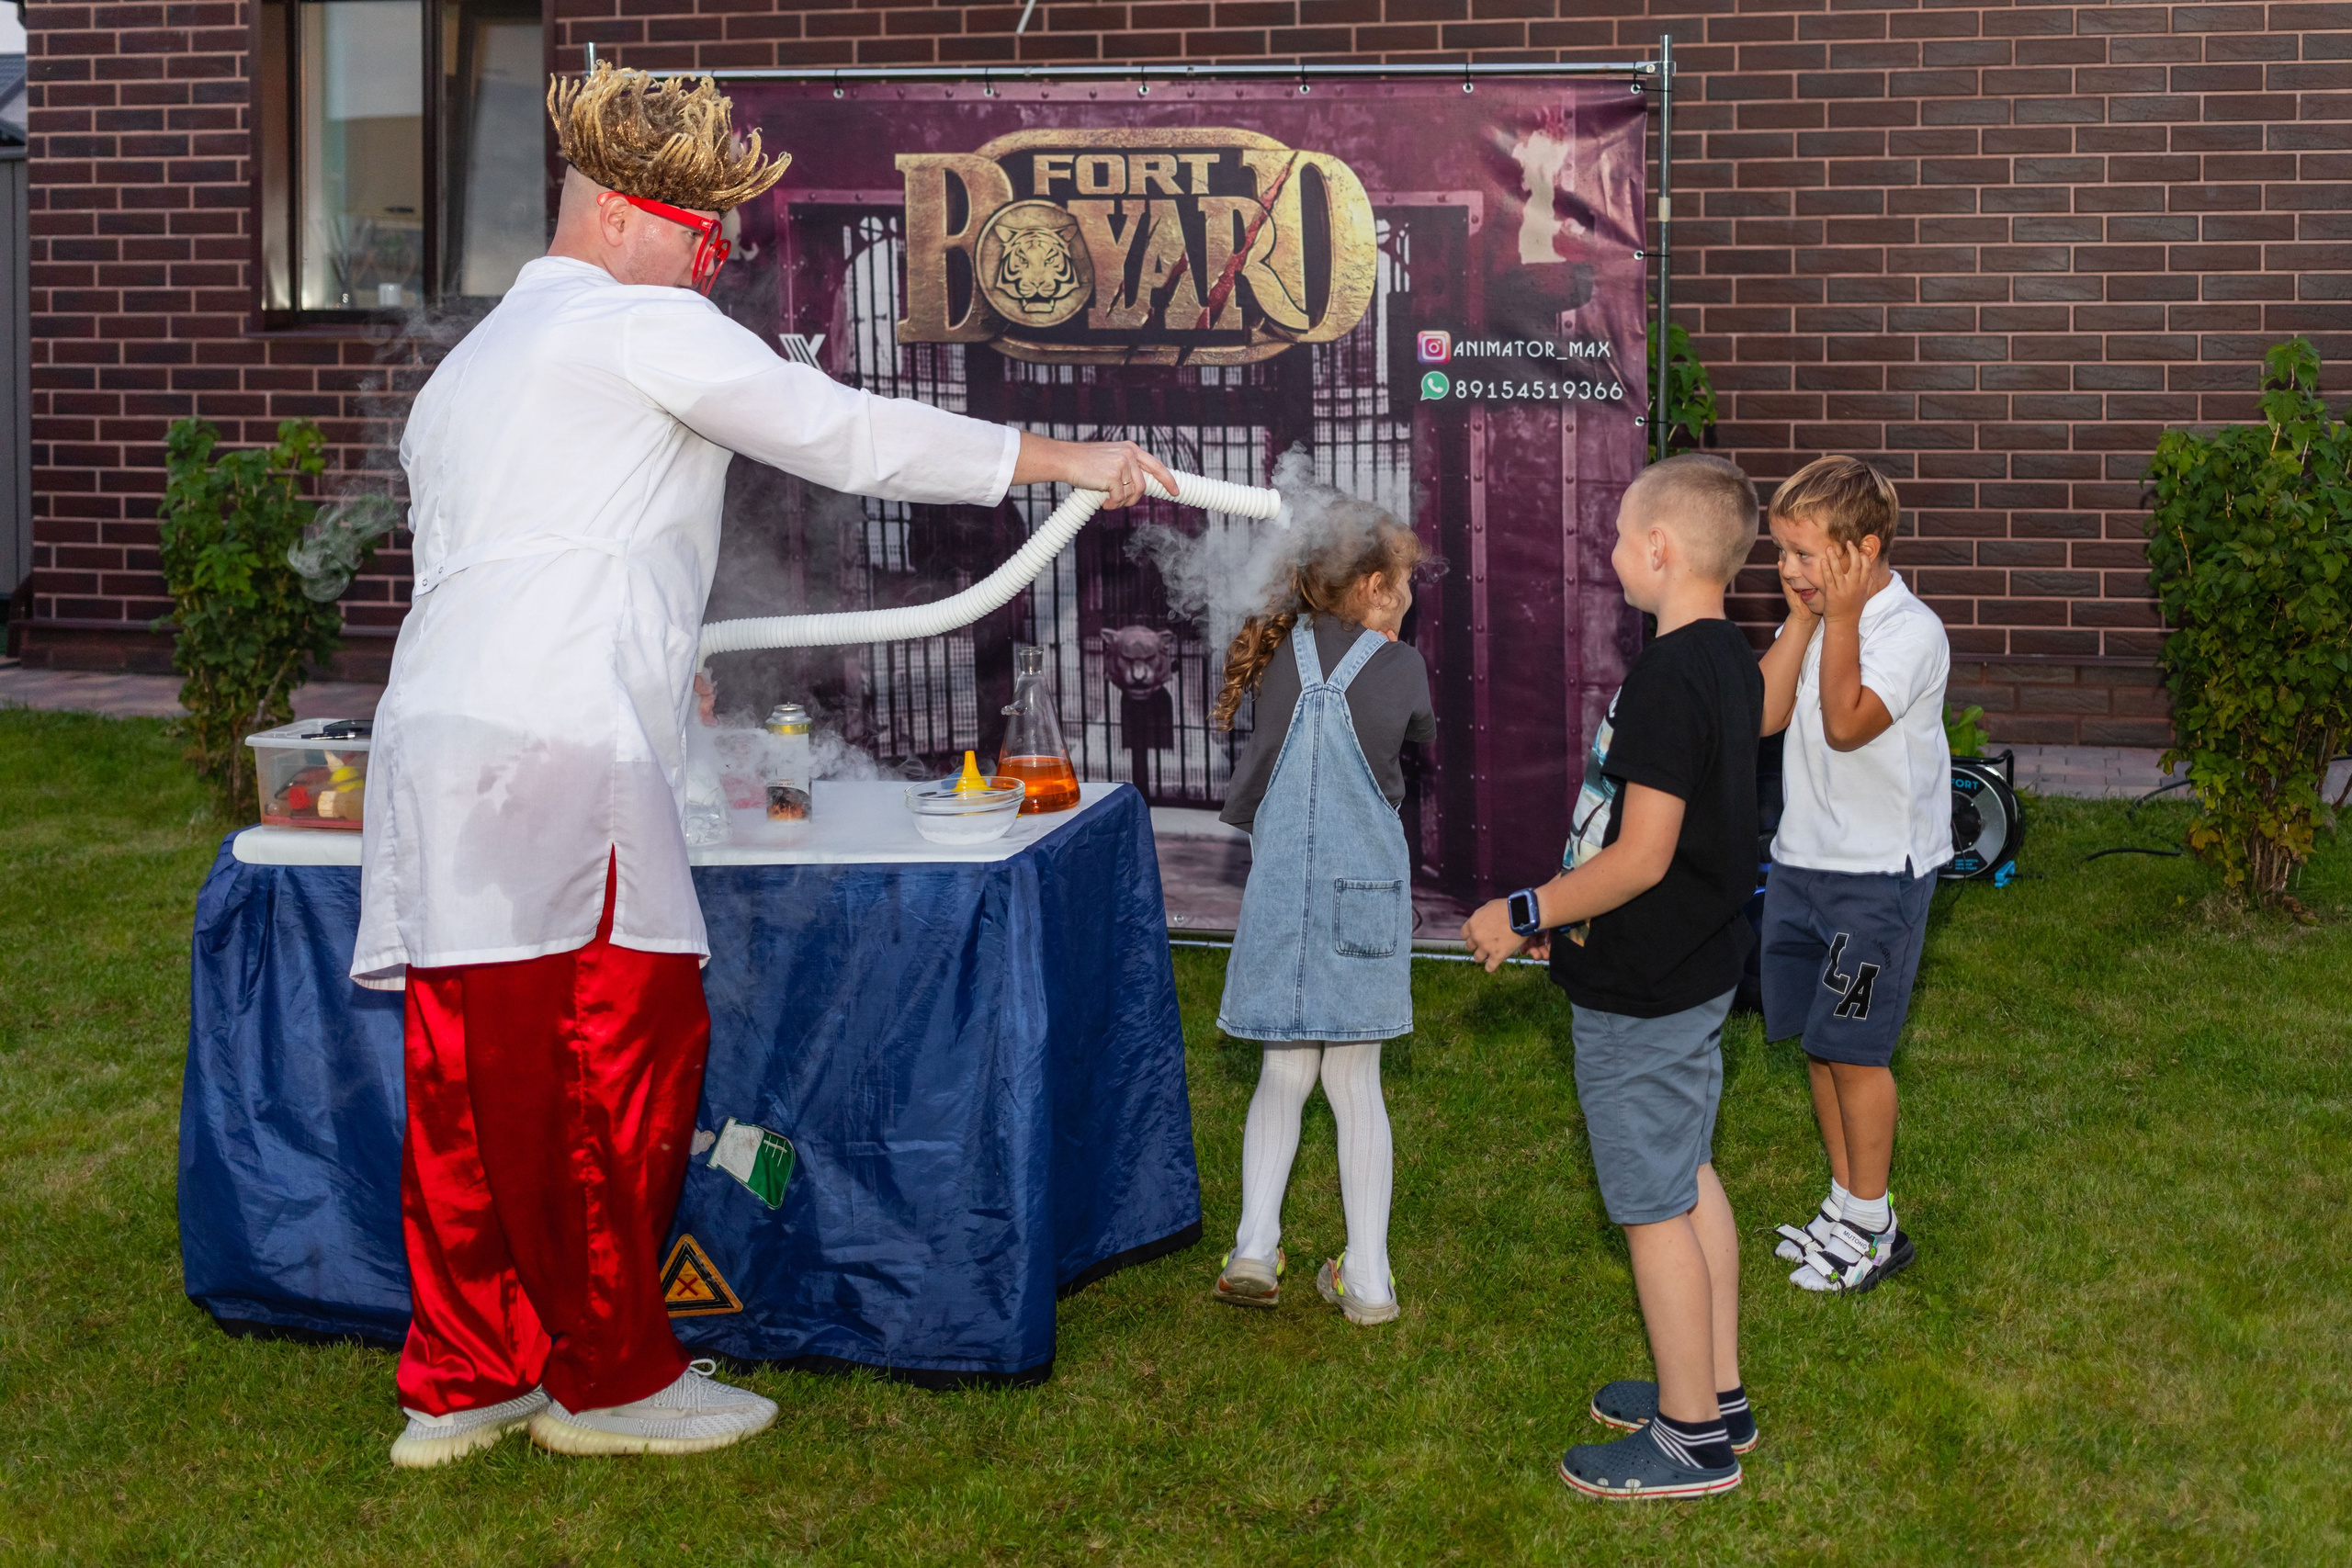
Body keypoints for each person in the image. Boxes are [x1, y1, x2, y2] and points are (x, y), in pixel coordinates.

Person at [361, 63, 1177, 1469]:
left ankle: (466, 1368)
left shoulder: (471, 368)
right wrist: (1064, 453)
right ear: (621, 217)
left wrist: (654, 638)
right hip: (562, 744)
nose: (709, 266)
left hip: (436, 740)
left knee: (470, 1072)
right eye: (699, 237)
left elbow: (516, 555)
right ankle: (610, 1377)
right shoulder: (633, 325)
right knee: (612, 1054)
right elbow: (848, 437)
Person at [1463, 453, 1765, 1499]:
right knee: (1687, 1174)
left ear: (1659, 549)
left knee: (1647, 1204)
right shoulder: (1728, 657)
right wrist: (1570, 923)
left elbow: (1636, 857)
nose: (1607, 556)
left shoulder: (1665, 679)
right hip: (1690, 964)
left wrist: (1528, 909)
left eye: (1616, 539)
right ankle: (1716, 1392)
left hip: (1645, 986)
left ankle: (1689, 1442)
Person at [1207, 503, 1433, 1327]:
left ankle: (1253, 1248)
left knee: (1282, 1074)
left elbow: (1262, 772)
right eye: (1405, 582)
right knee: (1355, 1082)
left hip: (1280, 899)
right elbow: (1416, 733)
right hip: (1364, 902)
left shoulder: (1275, 660)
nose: (1410, 596)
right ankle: (1368, 1279)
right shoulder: (1401, 665)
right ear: (1373, 586)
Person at [1756, 455, 1950, 1295]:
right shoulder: (1810, 616)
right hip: (1803, 864)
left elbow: (1843, 723)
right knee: (1818, 1043)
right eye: (1784, 554)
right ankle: (1847, 1205)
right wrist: (1804, 619)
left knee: (1856, 1050)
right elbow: (1767, 713)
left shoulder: (1908, 631)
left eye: (1805, 554)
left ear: (1863, 551)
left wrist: (1835, 621)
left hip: (1877, 878)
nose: (1788, 570)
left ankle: (1873, 1226)